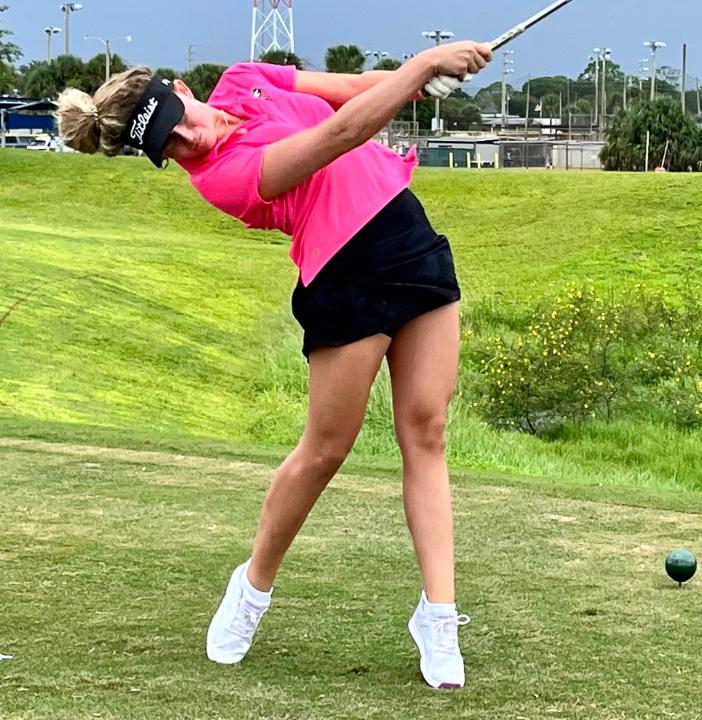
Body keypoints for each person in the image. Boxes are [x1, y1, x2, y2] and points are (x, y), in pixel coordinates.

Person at [56, 40, 493, 690]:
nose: (187, 140)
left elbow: (349, 91)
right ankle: (252, 587)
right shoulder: (222, 179)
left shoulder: (243, 79)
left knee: (427, 432)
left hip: (408, 238)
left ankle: (437, 616)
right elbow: (346, 131)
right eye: (168, 148)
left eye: (178, 119)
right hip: (344, 275)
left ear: (180, 87)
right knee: (325, 450)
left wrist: (415, 84)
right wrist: (422, 67)